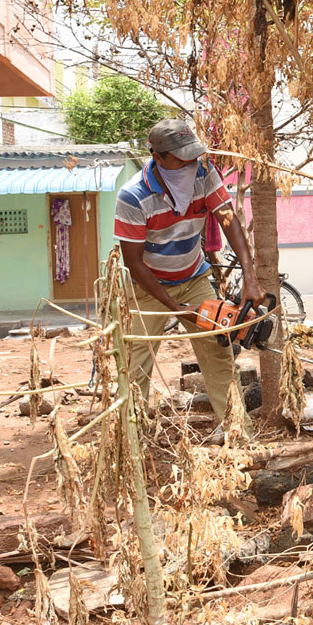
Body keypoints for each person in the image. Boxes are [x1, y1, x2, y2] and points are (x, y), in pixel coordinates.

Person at [113, 119, 266, 426]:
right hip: (147, 287)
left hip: (194, 277)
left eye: (194, 156)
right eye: (182, 159)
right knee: (136, 366)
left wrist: (250, 277)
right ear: (158, 157)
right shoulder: (132, 197)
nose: (191, 164)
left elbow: (228, 219)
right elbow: (134, 262)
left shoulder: (204, 173)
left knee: (218, 354)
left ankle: (239, 433)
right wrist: (176, 309)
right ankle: (132, 442)